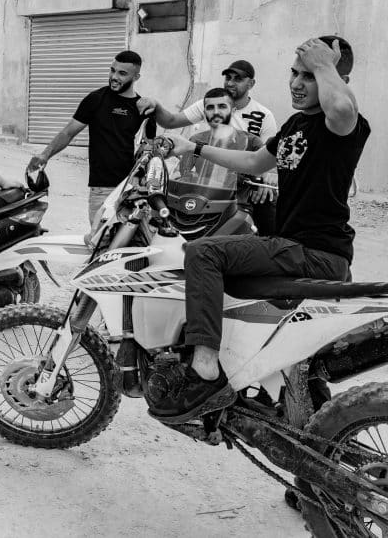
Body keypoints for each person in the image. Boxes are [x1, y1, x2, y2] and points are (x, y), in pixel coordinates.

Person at [148, 36, 370, 424]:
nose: (297, 83)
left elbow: (341, 105)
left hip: (316, 253)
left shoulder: (343, 125)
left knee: (204, 252)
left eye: (310, 75)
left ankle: (204, 371)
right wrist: (193, 148)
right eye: (294, 73)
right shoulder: (297, 123)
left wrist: (325, 66)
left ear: (337, 77)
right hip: (291, 246)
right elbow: (252, 160)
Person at [26, 50, 156, 224]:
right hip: (102, 189)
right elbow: (68, 132)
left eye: (122, 73)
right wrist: (45, 154)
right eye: (112, 70)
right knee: (99, 245)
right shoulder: (96, 99)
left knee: (130, 245)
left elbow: (149, 150)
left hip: (133, 189)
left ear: (136, 77)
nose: (114, 77)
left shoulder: (143, 108)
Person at [151, 59, 279, 234]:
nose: (216, 111)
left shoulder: (255, 133)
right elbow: (184, 175)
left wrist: (266, 177)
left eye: (237, 79)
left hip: (237, 200)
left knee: (268, 211)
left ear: (232, 109)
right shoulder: (195, 140)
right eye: (210, 108)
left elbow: (268, 160)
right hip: (202, 202)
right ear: (204, 111)